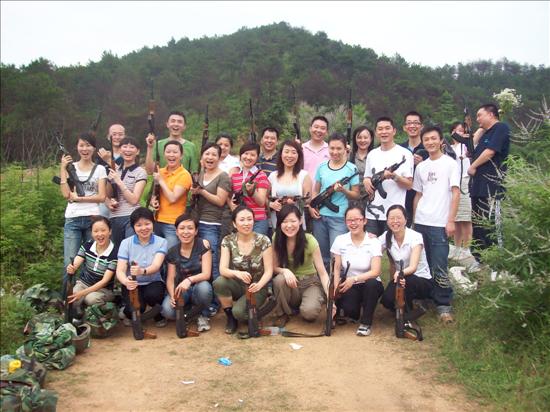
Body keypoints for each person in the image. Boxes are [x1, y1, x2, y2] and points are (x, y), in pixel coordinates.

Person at [412, 126, 460, 323]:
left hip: (440, 222)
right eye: (426, 139)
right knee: (421, 264)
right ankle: (424, 298)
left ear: (441, 141)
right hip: (421, 221)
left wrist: (451, 220)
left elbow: (455, 193)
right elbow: (418, 194)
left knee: (439, 265)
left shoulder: (450, 164)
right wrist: (414, 221)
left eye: (434, 138)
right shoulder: (421, 167)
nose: (430, 142)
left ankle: (443, 305)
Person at [214, 205, 273, 334]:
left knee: (239, 313)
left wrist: (260, 285)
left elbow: (269, 270)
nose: (246, 223)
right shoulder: (228, 240)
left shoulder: (264, 240)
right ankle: (230, 318)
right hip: (238, 284)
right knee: (219, 282)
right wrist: (237, 273)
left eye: (249, 219)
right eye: (242, 220)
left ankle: (255, 314)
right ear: (234, 223)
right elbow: (223, 269)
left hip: (257, 286)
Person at [271, 205, 330, 327]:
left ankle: (309, 302)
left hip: (310, 283)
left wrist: (331, 299)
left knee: (309, 314)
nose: (289, 225)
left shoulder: (310, 240)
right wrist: (285, 271)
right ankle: (283, 313)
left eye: (293, 221)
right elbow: (273, 267)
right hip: (291, 283)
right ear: (279, 223)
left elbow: (323, 273)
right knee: (279, 280)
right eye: (284, 221)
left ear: (301, 220)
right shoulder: (276, 238)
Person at [330, 206, 383, 336]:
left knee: (371, 284)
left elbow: (376, 271)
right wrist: (335, 289)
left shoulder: (373, 241)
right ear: (345, 222)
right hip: (349, 285)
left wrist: (354, 279)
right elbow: (336, 268)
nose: (353, 223)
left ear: (364, 221)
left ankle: (366, 323)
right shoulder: (340, 240)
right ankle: (355, 308)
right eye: (349, 220)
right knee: (350, 311)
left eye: (357, 219)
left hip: (368, 283)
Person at [310, 133, 361, 268]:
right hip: (320, 216)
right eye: (332, 148)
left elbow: (356, 195)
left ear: (345, 149)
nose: (335, 152)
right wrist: (312, 206)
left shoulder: (351, 169)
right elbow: (316, 190)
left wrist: (343, 191)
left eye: (339, 148)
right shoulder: (322, 167)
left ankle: (337, 279)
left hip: (339, 218)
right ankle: (323, 279)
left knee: (337, 255)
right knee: (321, 255)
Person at [468, 103, 510, 261]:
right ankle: (480, 259)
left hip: (492, 187)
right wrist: (480, 129)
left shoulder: (501, 128)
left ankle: (497, 261)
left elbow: (490, 152)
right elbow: (471, 146)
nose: (477, 119)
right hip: (478, 186)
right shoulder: (486, 133)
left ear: (491, 114)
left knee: (491, 225)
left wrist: (473, 166)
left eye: (480, 115)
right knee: (478, 224)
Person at [59, 132, 107, 273]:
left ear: (94, 148)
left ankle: (88, 288)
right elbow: (65, 194)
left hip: (93, 219)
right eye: (81, 145)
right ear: (77, 147)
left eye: (88, 145)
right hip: (73, 218)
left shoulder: (100, 169)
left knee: (92, 260)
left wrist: (80, 199)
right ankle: (69, 287)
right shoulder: (70, 167)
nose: (85, 149)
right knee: (69, 262)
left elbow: (102, 197)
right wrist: (63, 168)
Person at [160, 213, 213, 333]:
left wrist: (189, 280)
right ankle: (188, 313)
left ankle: (202, 315)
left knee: (204, 287)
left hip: (199, 286)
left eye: (190, 228)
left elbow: (206, 274)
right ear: (176, 231)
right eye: (182, 228)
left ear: (196, 231)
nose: (186, 232)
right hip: (181, 290)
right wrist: (172, 295)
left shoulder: (203, 244)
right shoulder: (172, 251)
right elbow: (170, 279)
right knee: (167, 311)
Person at [116, 207, 168, 328]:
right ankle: (128, 311)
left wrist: (142, 271)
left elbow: (156, 266)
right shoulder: (126, 243)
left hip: (153, 281)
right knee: (135, 307)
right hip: (132, 284)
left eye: (147, 224)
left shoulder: (161, 242)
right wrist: (126, 281)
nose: (144, 228)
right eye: (139, 225)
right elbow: (120, 270)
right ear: (133, 227)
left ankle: (157, 314)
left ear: (153, 223)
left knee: (154, 295)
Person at [379, 205, 433, 317]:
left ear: (406, 220)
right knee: (387, 300)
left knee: (409, 281)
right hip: (400, 278)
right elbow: (373, 250)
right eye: (391, 218)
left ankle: (408, 314)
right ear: (387, 221)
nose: (395, 221)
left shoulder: (415, 236)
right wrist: (368, 238)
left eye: (398, 218)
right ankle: (406, 310)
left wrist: (400, 273)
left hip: (420, 279)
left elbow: (413, 267)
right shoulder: (386, 236)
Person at [363, 117, 414, 236]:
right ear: (376, 132)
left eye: (387, 128)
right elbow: (367, 176)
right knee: (370, 246)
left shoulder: (405, 154)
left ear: (394, 131)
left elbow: (409, 185)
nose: (384, 132)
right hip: (371, 213)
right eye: (380, 129)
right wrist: (366, 180)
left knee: (392, 246)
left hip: (395, 214)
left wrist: (394, 177)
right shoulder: (372, 154)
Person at [66, 216, 117, 320]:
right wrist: (72, 268)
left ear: (110, 231)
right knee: (73, 298)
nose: (100, 234)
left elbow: (104, 282)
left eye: (103, 230)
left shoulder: (114, 253)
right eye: (96, 231)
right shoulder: (87, 246)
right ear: (92, 233)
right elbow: (76, 262)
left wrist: (82, 293)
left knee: (91, 299)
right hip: (83, 284)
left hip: (103, 289)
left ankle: (108, 312)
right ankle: (80, 314)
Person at [106, 137, 148, 248]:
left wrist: (118, 181)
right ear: (120, 150)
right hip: (114, 217)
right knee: (117, 251)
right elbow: (108, 195)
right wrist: (109, 181)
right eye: (124, 146)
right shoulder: (115, 170)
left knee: (130, 249)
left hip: (131, 217)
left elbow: (134, 200)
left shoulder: (140, 172)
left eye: (132, 147)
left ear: (137, 151)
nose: (128, 150)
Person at [151, 141, 192, 250]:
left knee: (170, 255)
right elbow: (154, 193)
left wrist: (161, 180)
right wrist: (153, 200)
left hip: (173, 223)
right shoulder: (160, 172)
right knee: (155, 254)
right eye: (168, 152)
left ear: (181, 155)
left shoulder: (184, 175)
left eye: (175, 152)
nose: (171, 155)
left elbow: (173, 198)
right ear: (164, 154)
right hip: (157, 220)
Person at [268, 140, 312, 230]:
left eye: (293, 152)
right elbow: (264, 198)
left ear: (299, 156)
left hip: (296, 222)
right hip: (277, 221)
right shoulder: (273, 176)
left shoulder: (304, 175)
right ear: (281, 154)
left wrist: (296, 201)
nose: (289, 155)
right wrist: (271, 204)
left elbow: (308, 199)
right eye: (286, 151)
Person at [228, 142, 270, 236]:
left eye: (252, 155)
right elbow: (228, 195)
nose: (248, 157)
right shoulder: (235, 176)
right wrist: (231, 205)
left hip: (257, 221)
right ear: (240, 155)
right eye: (246, 153)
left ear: (257, 157)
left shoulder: (261, 175)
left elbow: (261, 202)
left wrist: (252, 191)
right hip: (240, 220)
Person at [145, 110, 199, 175]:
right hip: (162, 180)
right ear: (167, 124)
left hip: (184, 181)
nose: (176, 124)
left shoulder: (191, 147)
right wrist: (150, 147)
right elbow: (149, 171)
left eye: (179, 122)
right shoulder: (158, 144)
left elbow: (194, 172)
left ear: (184, 126)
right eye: (173, 121)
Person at [449, 122, 473, 260]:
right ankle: (457, 247)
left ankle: (467, 248)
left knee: (466, 218)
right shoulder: (449, 148)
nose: (460, 133)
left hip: (464, 182)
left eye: (463, 131)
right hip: (453, 183)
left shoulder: (467, 146)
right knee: (456, 219)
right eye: (458, 130)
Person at [400, 111, 426, 225]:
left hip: (423, 196)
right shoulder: (399, 149)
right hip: (402, 195)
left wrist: (423, 164)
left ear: (421, 126)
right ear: (404, 127)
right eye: (409, 123)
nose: (412, 126)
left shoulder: (428, 147)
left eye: (416, 123)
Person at [349, 125, 375, 204]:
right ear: (355, 139)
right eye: (359, 137)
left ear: (371, 139)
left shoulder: (376, 156)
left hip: (371, 199)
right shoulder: (348, 156)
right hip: (351, 200)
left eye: (365, 137)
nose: (362, 140)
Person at [302, 116, 330, 186]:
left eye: (322, 128)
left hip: (324, 191)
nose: (319, 130)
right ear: (310, 129)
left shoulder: (330, 150)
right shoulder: (301, 148)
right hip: (303, 190)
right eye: (316, 127)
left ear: (327, 132)